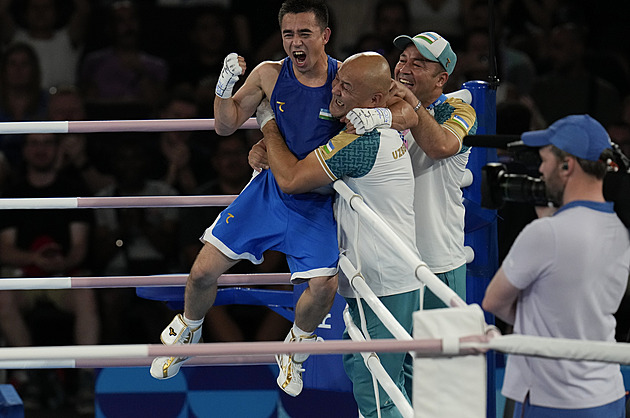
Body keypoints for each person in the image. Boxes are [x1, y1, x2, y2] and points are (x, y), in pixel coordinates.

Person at [149, 0, 415, 396]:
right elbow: (225, 125)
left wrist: (381, 117)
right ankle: (189, 329)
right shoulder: (269, 75)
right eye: (288, 34)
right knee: (202, 272)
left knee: (324, 287)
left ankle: (297, 345)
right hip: (270, 191)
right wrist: (224, 90)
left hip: (317, 200)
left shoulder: (351, 78)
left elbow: (408, 109)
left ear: (325, 36)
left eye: (304, 33)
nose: (295, 42)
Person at [260, 51, 420, 418]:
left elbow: (291, 180)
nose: (333, 91)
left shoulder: (359, 143)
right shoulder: (380, 127)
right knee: (382, 381)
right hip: (389, 276)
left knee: (375, 391)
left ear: (376, 101)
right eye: (337, 79)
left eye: (346, 87)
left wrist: (268, 125)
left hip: (383, 283)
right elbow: (404, 107)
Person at [482, 114, 630, 417]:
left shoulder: (545, 234)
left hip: (550, 399)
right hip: (607, 393)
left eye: (546, 159)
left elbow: (494, 301)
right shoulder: (619, 230)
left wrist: (536, 322)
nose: (540, 169)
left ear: (567, 166)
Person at [0, 132, 98, 414]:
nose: (41, 149)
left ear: (57, 149)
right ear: (25, 150)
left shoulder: (73, 187)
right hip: (23, 276)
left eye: (47, 143)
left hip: (63, 275)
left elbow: (80, 247)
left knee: (86, 296)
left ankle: (85, 379)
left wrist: (61, 262)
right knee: (3, 298)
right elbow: (4, 250)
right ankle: (32, 377)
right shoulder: (12, 193)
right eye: (34, 143)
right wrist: (34, 259)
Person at [390, 31, 477, 309]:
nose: (404, 68)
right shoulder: (381, 108)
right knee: (387, 353)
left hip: (437, 262)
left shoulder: (458, 110)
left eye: (418, 64)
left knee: (439, 353)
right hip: (391, 262)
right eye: (403, 59)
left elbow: (441, 146)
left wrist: (410, 102)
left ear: (441, 79)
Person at [0, 0, 91, 90]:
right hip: (22, 102)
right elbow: (2, 9)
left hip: (61, 102)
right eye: (34, 7)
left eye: (46, 7)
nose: (40, 12)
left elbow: (83, 9)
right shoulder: (15, 39)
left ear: (56, 12)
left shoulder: (68, 39)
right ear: (26, 13)